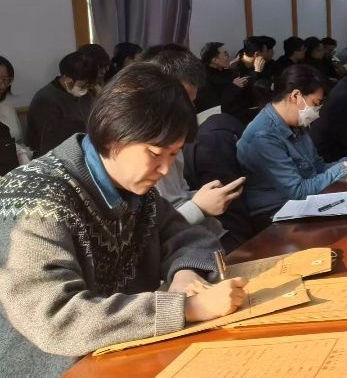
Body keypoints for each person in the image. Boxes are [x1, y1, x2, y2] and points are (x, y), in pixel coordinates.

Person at [0, 63, 248, 376]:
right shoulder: (34, 199)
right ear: (114, 136)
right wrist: (186, 308)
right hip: (51, 368)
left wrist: (186, 274)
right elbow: (55, 319)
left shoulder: (133, 188)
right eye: (155, 153)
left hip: (122, 352)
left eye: (173, 154)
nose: (164, 170)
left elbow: (189, 236)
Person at [237, 65, 347, 228]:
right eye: (315, 103)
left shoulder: (296, 123)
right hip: (276, 214)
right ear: (296, 96)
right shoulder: (263, 136)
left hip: (303, 203)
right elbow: (297, 192)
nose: (317, 112)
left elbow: (318, 168)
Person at [141, 44, 240, 239]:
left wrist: (208, 197)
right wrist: (198, 207)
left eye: (191, 102)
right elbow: (152, 233)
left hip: (200, 233)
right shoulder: (145, 142)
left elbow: (177, 196)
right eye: (182, 101)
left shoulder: (171, 134)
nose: (188, 110)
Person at [26, 51, 97, 157]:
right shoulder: (46, 100)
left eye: (89, 85)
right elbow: (48, 145)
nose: (86, 89)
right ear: (67, 79)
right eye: (83, 85)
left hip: (85, 150)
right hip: (55, 156)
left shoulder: (86, 95)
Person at [196, 42, 251, 118]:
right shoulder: (204, 80)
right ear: (215, 60)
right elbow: (215, 107)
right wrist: (234, 87)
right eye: (225, 54)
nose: (228, 57)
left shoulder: (225, 71)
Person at [0, 55, 32, 165]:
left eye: (6, 80)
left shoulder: (7, 107)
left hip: (19, 164)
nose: (3, 86)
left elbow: (19, 141)